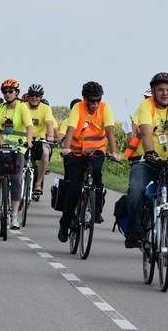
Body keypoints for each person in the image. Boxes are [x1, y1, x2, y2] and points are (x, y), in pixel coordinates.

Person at [124, 72, 168, 267]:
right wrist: (150, 152)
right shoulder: (146, 105)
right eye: (161, 89)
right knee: (135, 191)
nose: (165, 93)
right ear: (153, 91)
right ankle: (134, 230)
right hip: (146, 160)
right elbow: (146, 131)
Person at [57, 82, 120, 242]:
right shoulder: (78, 107)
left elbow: (109, 131)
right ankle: (65, 224)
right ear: (85, 98)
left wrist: (114, 152)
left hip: (97, 149)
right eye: (92, 100)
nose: (95, 104)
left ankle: (96, 210)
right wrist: (66, 148)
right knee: (75, 186)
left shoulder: (105, 108)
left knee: (97, 174)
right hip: (76, 150)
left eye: (98, 100)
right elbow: (71, 128)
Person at [0, 79, 33, 229]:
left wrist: (28, 141)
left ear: (17, 93)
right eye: (5, 92)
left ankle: (14, 215)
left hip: (19, 148)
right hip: (3, 145)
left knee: (15, 179)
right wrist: (1, 143)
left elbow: (29, 126)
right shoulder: (0, 108)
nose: (7, 94)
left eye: (10, 91)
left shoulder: (22, 107)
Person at [23, 83, 55, 198]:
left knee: (46, 154)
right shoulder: (23, 106)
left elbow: (49, 123)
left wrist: (50, 135)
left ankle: (37, 184)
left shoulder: (45, 108)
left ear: (41, 97)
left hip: (39, 140)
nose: (34, 98)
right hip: (24, 139)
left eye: (37, 95)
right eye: (32, 95)